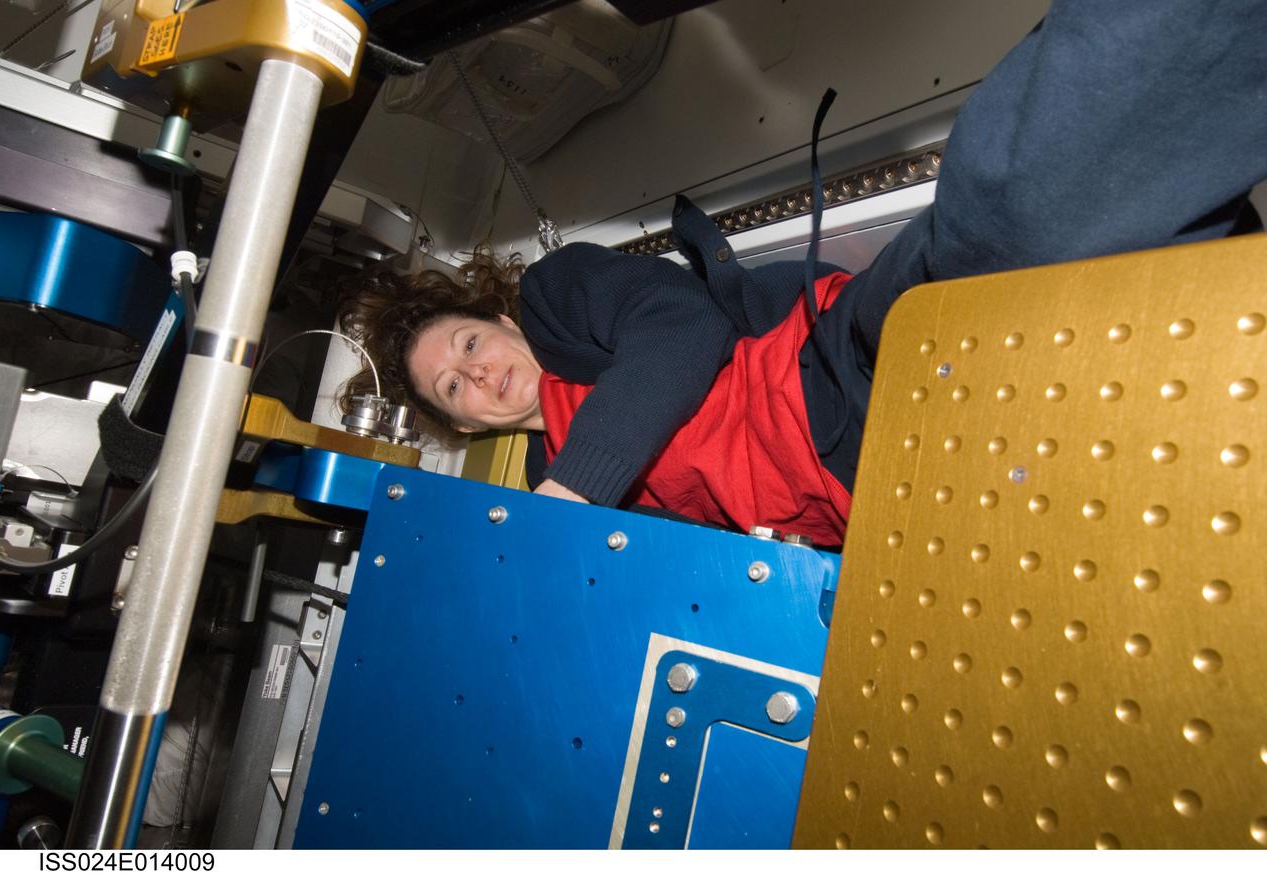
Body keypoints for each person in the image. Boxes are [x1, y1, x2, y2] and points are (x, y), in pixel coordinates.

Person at [341, 0, 1267, 550]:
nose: (476, 373)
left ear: (497, 323)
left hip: (836, 381)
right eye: (453, 390)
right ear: (463, 423)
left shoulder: (559, 306)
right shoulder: (561, 476)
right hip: (882, 510)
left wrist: (569, 497)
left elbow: (682, 331)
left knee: (1007, 208)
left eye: (465, 345)